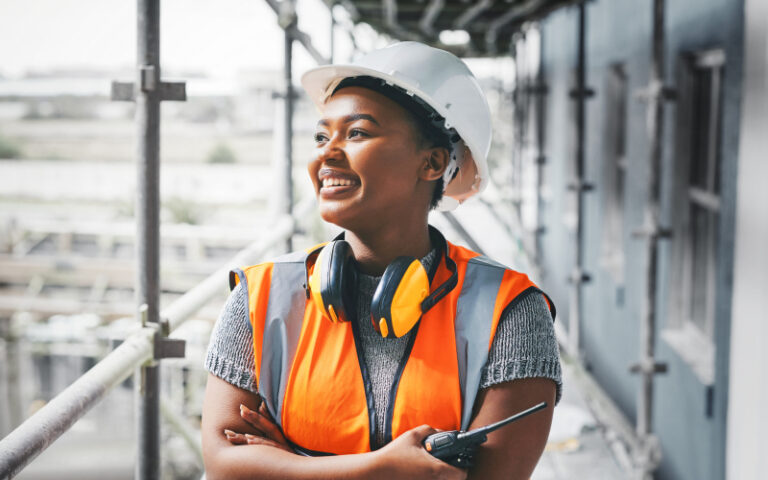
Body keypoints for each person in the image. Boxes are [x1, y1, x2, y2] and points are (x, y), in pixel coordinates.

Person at [201, 41, 562, 480]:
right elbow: (224, 465)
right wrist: (381, 468)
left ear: (432, 162)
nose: (325, 154)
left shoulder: (511, 312)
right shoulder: (260, 299)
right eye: (321, 135)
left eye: (356, 133)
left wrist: (291, 463)